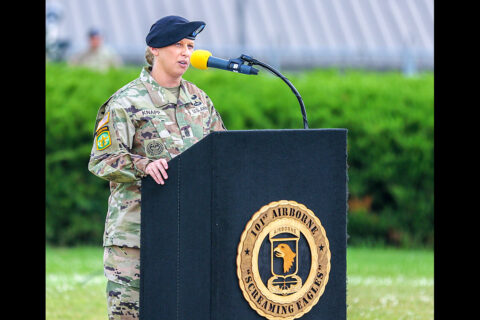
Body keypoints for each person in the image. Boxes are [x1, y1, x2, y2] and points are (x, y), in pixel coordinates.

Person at [88, 15, 226, 319]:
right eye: (177, 44)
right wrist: (143, 166)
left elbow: (223, 156)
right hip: (135, 238)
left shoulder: (200, 101)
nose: (186, 53)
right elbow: (101, 160)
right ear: (154, 49)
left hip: (190, 233)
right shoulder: (126, 102)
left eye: (190, 45)